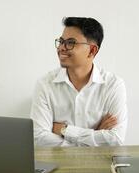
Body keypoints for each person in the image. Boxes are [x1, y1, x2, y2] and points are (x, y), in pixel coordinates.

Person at [30, 17, 127, 146]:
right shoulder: (45, 84)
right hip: (58, 164)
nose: (62, 48)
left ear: (92, 51)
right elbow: (39, 138)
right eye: (61, 41)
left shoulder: (113, 85)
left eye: (70, 43)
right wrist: (96, 134)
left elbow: (116, 139)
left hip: (101, 164)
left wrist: (65, 130)